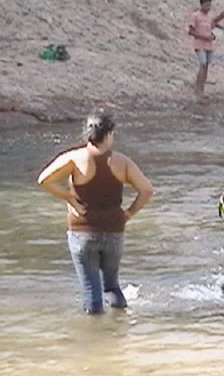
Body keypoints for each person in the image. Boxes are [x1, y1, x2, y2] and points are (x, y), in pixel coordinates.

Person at [37, 113, 153, 314]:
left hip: (82, 232)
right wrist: (129, 213)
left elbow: (43, 180)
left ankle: (95, 338)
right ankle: (120, 330)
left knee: (91, 290)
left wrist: (68, 197)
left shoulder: (75, 158)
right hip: (114, 232)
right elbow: (147, 190)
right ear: (108, 135)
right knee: (111, 286)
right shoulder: (122, 162)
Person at [188, 0, 218, 101]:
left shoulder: (210, 16)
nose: (208, 7)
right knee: (203, 63)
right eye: (206, 5)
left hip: (209, 45)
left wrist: (212, 36)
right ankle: (198, 89)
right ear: (201, 4)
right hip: (199, 44)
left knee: (206, 66)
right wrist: (204, 37)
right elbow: (191, 31)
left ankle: (201, 89)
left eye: (209, 5)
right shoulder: (195, 16)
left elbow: (212, 28)